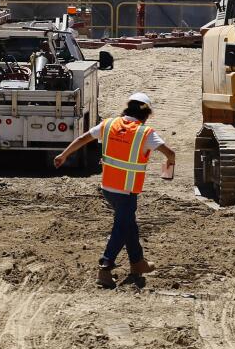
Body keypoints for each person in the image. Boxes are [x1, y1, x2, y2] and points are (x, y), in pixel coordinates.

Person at [54, 92, 176, 288]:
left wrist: (64, 154)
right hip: (126, 191)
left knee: (128, 224)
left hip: (108, 188)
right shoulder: (145, 133)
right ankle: (105, 266)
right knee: (121, 227)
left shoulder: (109, 124)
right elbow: (170, 152)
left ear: (127, 108)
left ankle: (138, 263)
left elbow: (84, 138)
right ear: (145, 115)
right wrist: (170, 164)